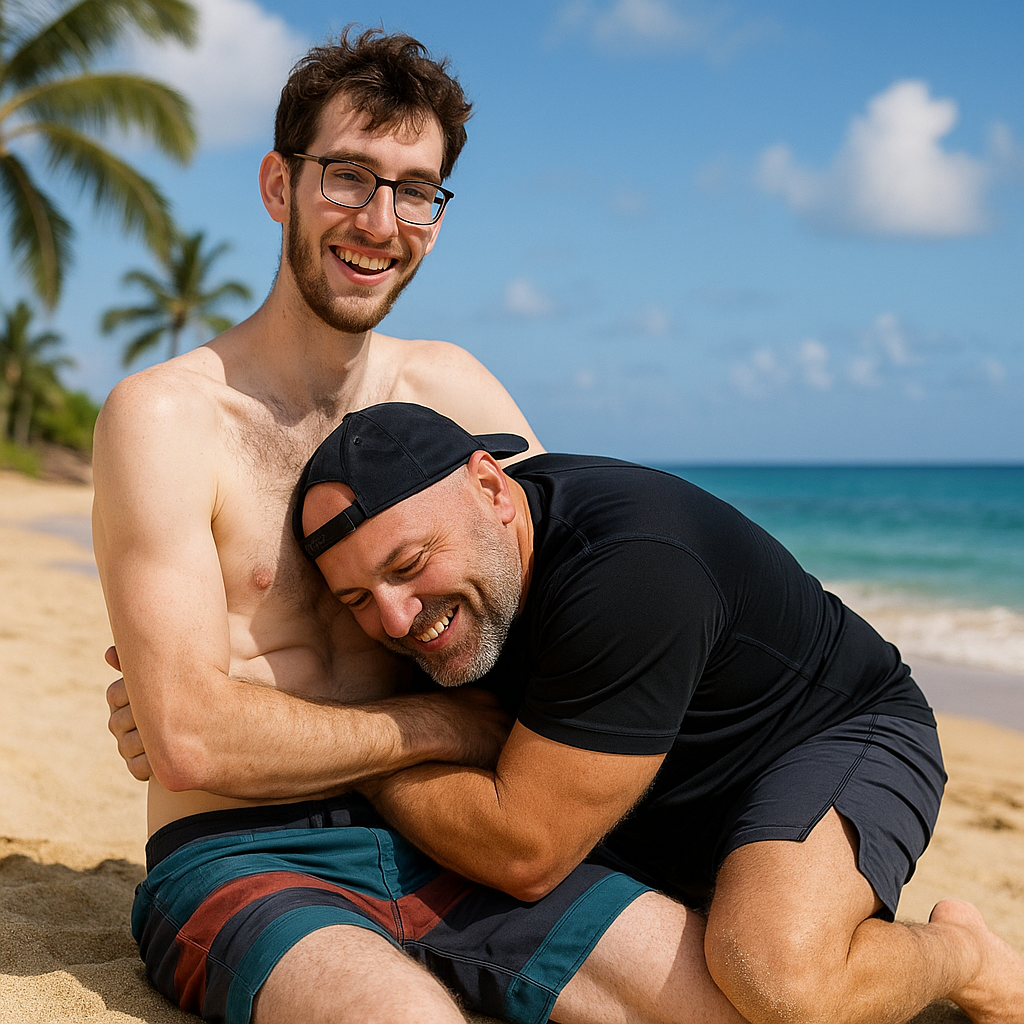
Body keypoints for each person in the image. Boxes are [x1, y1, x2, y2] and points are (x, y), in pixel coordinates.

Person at [96, 27, 754, 1024]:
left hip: (456, 832)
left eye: (415, 189)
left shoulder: (456, 393)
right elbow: (190, 738)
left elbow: (567, 613)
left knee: (731, 1002)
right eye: (348, 177)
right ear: (279, 185)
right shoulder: (166, 420)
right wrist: (435, 725)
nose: (380, 219)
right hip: (244, 851)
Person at [290, 401, 1024, 1024]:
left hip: (832, 734)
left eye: (411, 564)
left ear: (491, 488)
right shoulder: (475, 572)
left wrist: (369, 755)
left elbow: (524, 851)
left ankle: (964, 955)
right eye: (357, 599)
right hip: (655, 793)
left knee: (776, 974)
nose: (393, 619)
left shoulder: (632, 569)